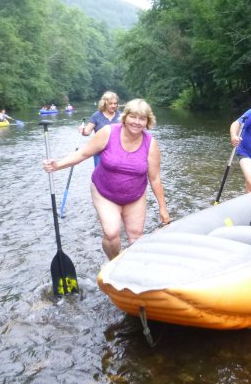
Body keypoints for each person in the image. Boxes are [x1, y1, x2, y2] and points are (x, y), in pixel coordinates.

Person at [43, 98, 170, 260]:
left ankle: (129, 267)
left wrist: (163, 208)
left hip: (135, 196)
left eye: (142, 118)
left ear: (148, 121)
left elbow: (155, 179)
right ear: (125, 117)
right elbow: (82, 154)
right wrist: (57, 165)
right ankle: (114, 261)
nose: (137, 122)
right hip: (104, 192)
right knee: (111, 233)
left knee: (136, 237)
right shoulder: (108, 132)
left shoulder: (150, 143)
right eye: (133, 117)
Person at [80, 91, 121, 167]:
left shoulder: (121, 115)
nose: (113, 106)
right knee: (100, 175)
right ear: (105, 103)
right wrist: (83, 130)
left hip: (117, 151)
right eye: (110, 103)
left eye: (115, 103)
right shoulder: (96, 115)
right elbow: (87, 132)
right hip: (99, 152)